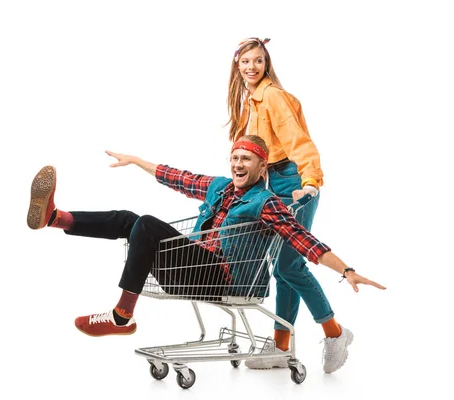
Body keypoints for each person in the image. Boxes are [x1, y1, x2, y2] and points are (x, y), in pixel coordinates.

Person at [26, 135, 385, 373]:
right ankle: (56, 218)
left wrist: (347, 269)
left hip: (223, 277)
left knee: (147, 226)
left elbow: (304, 240)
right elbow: (177, 177)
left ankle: (122, 317)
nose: (238, 163)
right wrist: (137, 160)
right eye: (235, 157)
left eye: (247, 159)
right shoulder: (218, 186)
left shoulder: (266, 201)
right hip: (194, 266)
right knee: (131, 221)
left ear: (262, 167)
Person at [227, 37, 333, 369]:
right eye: (246, 62)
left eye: (258, 61)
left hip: (292, 182)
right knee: (281, 269)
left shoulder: (271, 97)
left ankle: (334, 333)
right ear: (237, 65)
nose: (252, 67)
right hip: (271, 181)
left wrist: (310, 183)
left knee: (290, 266)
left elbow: (300, 143)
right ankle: (280, 347)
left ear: (267, 64)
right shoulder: (251, 100)